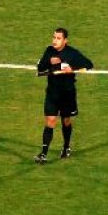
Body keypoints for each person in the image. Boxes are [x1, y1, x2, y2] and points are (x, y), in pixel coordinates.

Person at [34, 28, 94, 164]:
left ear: (65, 40)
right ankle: (43, 154)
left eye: (58, 38)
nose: (55, 40)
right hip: (52, 93)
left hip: (67, 94)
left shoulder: (73, 54)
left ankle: (66, 147)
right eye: (54, 37)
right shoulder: (49, 51)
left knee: (66, 121)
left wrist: (72, 69)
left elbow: (89, 65)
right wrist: (51, 62)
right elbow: (40, 68)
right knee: (50, 121)